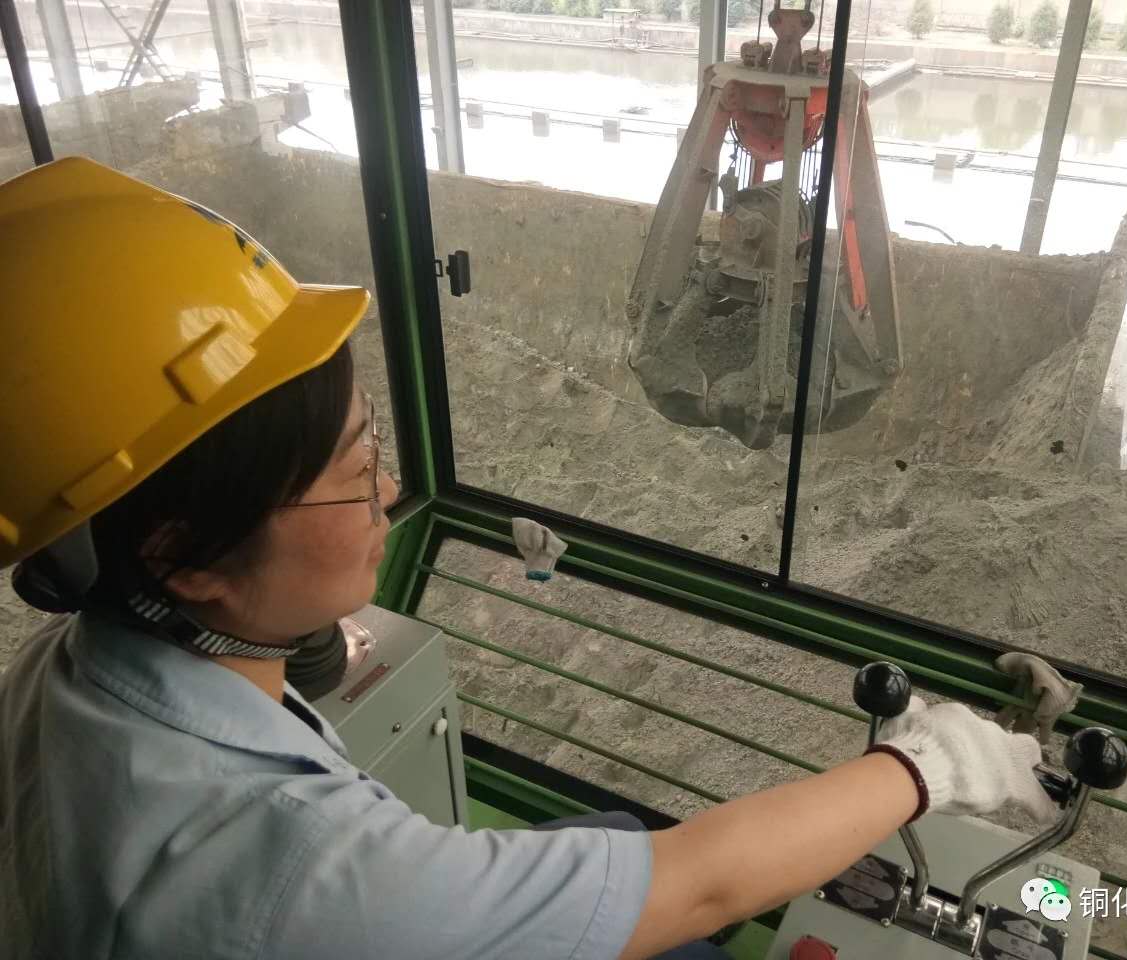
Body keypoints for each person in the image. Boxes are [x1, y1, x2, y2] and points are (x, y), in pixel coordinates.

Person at [0, 158, 1057, 960]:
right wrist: (928, 765)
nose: (391, 493)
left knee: (608, 825)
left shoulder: (63, 674)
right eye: (355, 465)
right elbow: (696, 886)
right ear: (181, 554)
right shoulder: (296, 867)